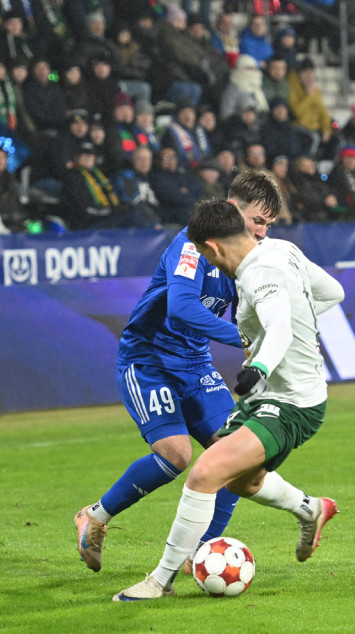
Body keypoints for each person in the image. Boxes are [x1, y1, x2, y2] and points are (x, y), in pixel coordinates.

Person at [112, 197, 344, 601]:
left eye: (204, 254)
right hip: (276, 395)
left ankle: (159, 581)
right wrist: (297, 316)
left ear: (214, 247)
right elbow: (333, 292)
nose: (207, 264)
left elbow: (279, 329)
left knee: (205, 472)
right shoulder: (283, 249)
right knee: (243, 480)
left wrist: (260, 366)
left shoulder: (258, 275)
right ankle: (311, 509)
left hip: (290, 401)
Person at [74, 170, 283, 573]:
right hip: (149, 359)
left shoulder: (255, 255)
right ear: (234, 209)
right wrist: (242, 336)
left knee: (239, 457)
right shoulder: (191, 244)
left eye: (268, 224)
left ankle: (198, 553)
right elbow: (182, 307)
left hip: (196, 364)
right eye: (258, 221)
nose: (262, 232)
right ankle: (95, 516)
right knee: (175, 454)